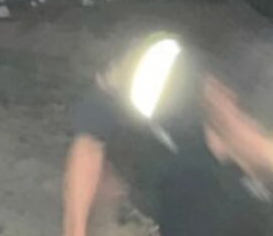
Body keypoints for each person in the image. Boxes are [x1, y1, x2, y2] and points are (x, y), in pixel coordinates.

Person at [63, 32, 273, 236]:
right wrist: (76, 230)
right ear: (223, 99)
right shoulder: (162, 74)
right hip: (147, 189)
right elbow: (92, 134)